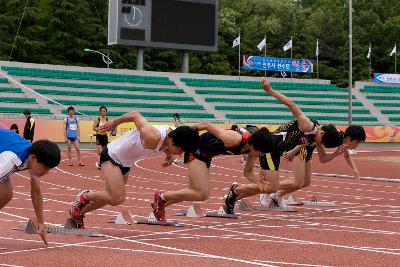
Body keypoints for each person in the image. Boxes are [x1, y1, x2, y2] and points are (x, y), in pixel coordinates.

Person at [224, 78, 366, 212]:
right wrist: (270, 91)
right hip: (268, 148)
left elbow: (322, 157)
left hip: (276, 152)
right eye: (321, 142)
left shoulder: (317, 138)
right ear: (321, 133)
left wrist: (335, 153)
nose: (319, 144)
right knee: (270, 186)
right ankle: (235, 191)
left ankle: (234, 195)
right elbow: (292, 105)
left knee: (269, 187)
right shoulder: (308, 125)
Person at [68, 111, 199, 228]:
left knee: (110, 197)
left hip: (125, 162)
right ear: (173, 141)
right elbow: (135, 115)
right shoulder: (152, 135)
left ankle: (78, 212)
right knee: (117, 198)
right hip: (112, 154)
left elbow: (168, 144)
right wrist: (114, 123)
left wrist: (170, 154)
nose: (180, 154)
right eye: (180, 150)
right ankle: (84, 196)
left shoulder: (174, 135)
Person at [151, 122, 277, 221]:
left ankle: (161, 205)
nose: (261, 155)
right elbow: (206, 125)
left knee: (192, 192)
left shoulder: (252, 151)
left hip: (206, 155)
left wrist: (258, 183)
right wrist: (182, 137)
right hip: (196, 151)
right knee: (202, 194)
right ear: (255, 145)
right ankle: (161, 197)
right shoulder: (233, 138)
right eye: (261, 152)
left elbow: (248, 172)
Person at [0, 128, 61, 244]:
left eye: (49, 169)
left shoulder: (33, 157)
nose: (46, 172)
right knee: (5, 191)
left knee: (5, 192)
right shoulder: (11, 159)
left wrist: (41, 222)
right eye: (45, 168)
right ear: (33, 158)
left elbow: (36, 193)